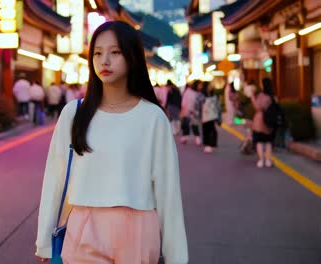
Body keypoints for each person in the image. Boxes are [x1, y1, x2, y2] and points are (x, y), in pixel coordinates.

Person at [35, 21, 188, 263]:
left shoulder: (153, 117)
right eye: (97, 53)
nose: (104, 60)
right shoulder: (74, 113)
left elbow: (168, 191)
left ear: (132, 57)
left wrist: (176, 256)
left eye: (115, 52)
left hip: (137, 228)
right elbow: (55, 177)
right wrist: (44, 240)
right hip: (82, 226)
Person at [250, 78, 274, 168]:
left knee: (259, 141)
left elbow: (257, 106)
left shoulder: (261, 95)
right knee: (268, 141)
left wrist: (252, 97)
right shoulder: (272, 96)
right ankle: (268, 160)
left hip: (260, 121)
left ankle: (261, 160)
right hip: (270, 121)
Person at [199, 82, 221, 153]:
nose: (210, 87)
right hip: (205, 116)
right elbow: (198, 105)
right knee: (206, 130)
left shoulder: (214, 95)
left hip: (212, 116)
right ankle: (207, 145)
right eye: (209, 86)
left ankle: (211, 144)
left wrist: (219, 117)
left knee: (211, 130)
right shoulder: (202, 95)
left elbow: (218, 106)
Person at [180, 80, 201, 145]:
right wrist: (184, 110)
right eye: (199, 85)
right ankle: (185, 138)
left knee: (194, 125)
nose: (200, 86)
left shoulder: (197, 93)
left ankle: (196, 139)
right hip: (187, 111)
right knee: (186, 125)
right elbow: (184, 102)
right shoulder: (189, 92)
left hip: (194, 112)